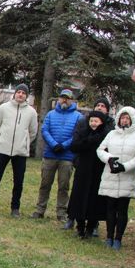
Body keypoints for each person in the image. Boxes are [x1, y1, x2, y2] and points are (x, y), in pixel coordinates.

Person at [96, 106, 135, 250]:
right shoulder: (112, 134)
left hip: (127, 176)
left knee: (122, 209)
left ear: (132, 119)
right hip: (111, 174)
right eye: (122, 118)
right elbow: (100, 150)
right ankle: (109, 237)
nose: (124, 121)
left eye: (127, 118)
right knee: (110, 208)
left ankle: (118, 238)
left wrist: (124, 166)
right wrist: (110, 159)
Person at [0, 84, 38, 217]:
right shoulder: (3, 108)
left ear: (26, 96)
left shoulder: (31, 112)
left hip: (20, 152)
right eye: (18, 92)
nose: (20, 94)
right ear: (15, 93)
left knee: (18, 181)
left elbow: (33, 132)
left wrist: (24, 143)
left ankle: (15, 208)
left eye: (23, 93)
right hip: (2, 149)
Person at [32, 88, 83, 223]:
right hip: (50, 154)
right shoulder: (50, 114)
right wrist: (54, 144)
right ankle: (40, 210)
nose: (64, 100)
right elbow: (45, 130)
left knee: (64, 186)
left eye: (67, 98)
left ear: (72, 100)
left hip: (67, 157)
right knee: (45, 184)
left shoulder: (78, 116)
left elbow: (77, 134)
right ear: (59, 99)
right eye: (62, 97)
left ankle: (61, 212)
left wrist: (64, 145)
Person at [66, 110, 110, 238]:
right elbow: (74, 146)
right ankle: (80, 227)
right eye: (91, 121)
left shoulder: (106, 134)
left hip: (98, 171)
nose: (93, 123)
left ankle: (91, 228)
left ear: (102, 122)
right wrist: (88, 141)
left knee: (94, 199)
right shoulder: (83, 132)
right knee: (79, 198)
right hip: (83, 170)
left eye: (96, 121)